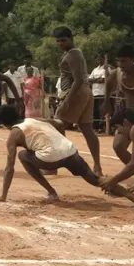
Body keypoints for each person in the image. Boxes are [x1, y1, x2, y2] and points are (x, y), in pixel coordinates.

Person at [0, 105, 134, 205]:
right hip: (70, 150)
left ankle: (51, 192)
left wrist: (3, 195)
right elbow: (59, 123)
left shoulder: (14, 134)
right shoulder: (36, 120)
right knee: (95, 179)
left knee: (23, 155)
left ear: (4, 124)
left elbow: (9, 167)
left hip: (49, 158)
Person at [52, 27, 103, 175]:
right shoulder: (75, 53)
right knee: (87, 129)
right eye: (58, 41)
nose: (61, 43)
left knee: (57, 127)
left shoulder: (72, 54)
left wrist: (67, 101)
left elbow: (78, 79)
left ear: (71, 39)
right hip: (85, 91)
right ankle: (97, 166)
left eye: (64, 40)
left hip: (76, 92)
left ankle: (56, 164)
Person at [87, 54, 109, 133]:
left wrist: (94, 80)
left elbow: (103, 80)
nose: (99, 61)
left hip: (102, 92)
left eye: (101, 59)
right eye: (98, 59)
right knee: (95, 110)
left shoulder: (106, 69)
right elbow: (89, 80)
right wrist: (97, 79)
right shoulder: (95, 69)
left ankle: (101, 127)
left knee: (101, 111)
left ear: (104, 59)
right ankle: (95, 127)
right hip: (94, 92)